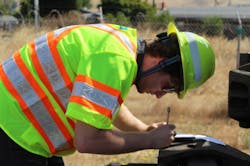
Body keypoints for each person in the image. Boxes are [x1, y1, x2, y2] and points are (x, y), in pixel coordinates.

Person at [0, 22, 215, 166]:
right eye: (168, 86)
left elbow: (102, 103)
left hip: (18, 126)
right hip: (12, 131)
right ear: (162, 62)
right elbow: (88, 140)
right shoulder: (115, 61)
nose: (160, 94)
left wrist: (143, 129)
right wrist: (148, 140)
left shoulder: (122, 46)